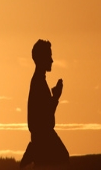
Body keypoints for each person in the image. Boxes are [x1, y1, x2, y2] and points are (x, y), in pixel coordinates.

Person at [20, 39, 69, 169]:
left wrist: (54, 98)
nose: (52, 60)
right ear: (42, 58)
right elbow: (45, 116)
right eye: (49, 56)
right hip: (43, 138)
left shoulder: (38, 81)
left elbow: (45, 114)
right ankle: (33, 151)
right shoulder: (38, 83)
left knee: (60, 159)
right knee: (62, 158)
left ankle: (32, 151)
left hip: (42, 137)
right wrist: (56, 97)